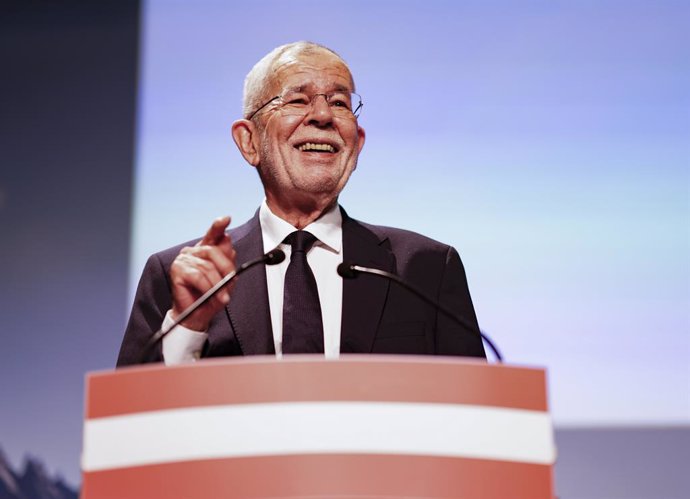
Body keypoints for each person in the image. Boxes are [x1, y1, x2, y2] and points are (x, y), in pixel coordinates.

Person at [117, 41, 485, 366]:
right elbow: (128, 423)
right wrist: (188, 323)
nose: (323, 116)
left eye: (340, 102)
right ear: (249, 142)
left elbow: (475, 412)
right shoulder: (179, 276)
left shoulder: (425, 270)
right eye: (297, 100)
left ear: (356, 144)